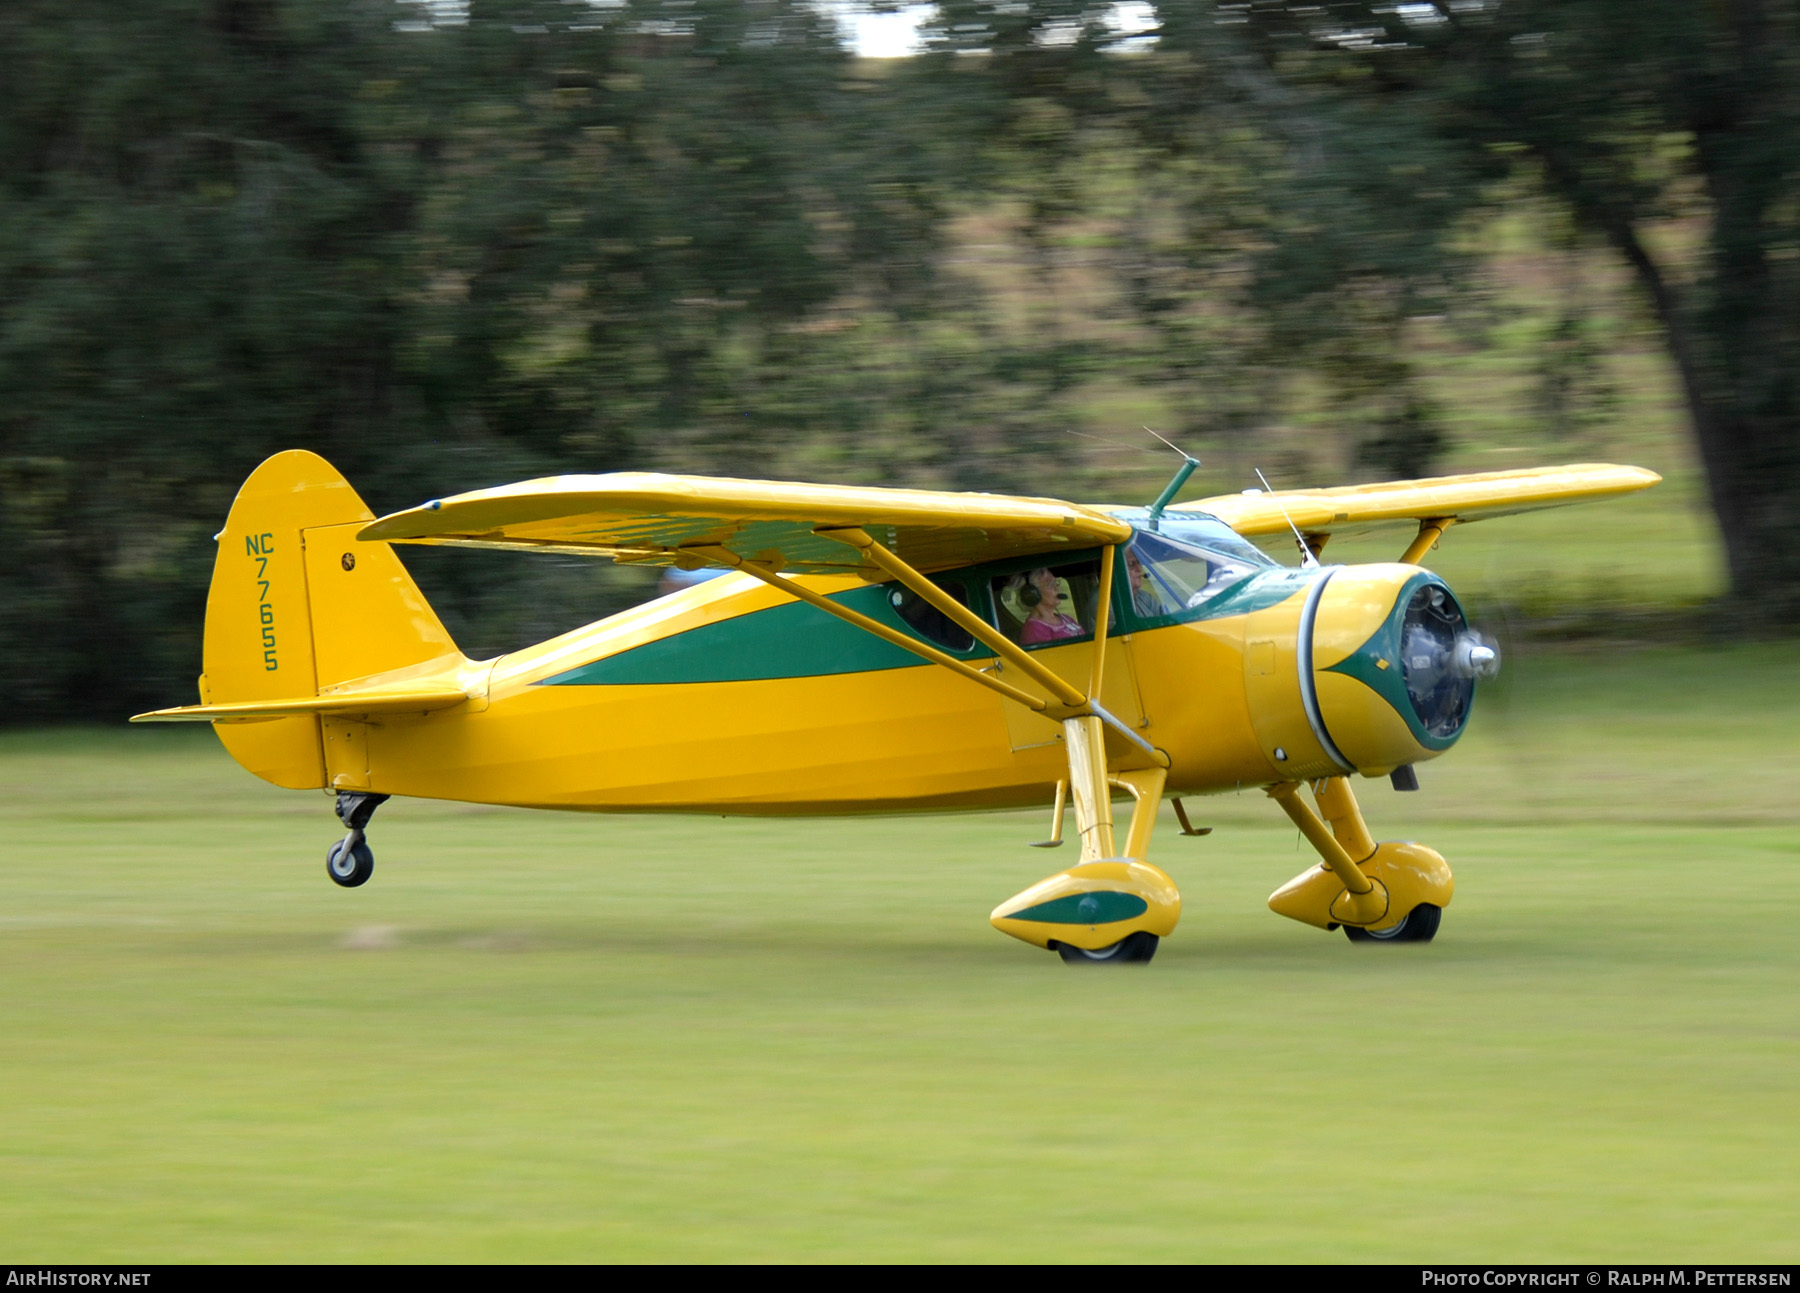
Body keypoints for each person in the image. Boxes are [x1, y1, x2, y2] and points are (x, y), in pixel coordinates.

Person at [1012, 568, 1084, 644]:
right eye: (1051, 585)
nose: (1057, 588)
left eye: (1056, 583)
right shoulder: (1034, 629)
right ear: (1033, 594)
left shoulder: (1066, 618)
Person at [1125, 546, 1174, 617]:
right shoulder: (1108, 606)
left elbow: (1165, 620)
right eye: (1131, 564)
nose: (1139, 569)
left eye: (1139, 563)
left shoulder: (1145, 597)